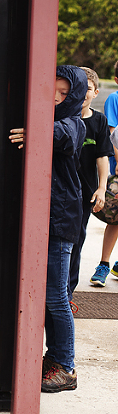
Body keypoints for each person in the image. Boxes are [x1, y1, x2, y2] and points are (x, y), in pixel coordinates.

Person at [9, 65, 87, 393]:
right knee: (46, 298)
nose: (55, 98)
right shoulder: (49, 122)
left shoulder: (75, 125)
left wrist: (35, 131)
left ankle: (66, 366)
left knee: (57, 298)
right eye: (50, 91)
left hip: (61, 222)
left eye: (63, 94)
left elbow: (63, 135)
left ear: (76, 98)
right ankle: (53, 359)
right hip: (48, 220)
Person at [69, 67, 111, 299]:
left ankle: (68, 293)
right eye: (80, 87)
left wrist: (102, 188)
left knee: (77, 242)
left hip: (85, 194)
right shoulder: (63, 117)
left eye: (88, 89)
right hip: (60, 191)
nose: (83, 93)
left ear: (95, 93)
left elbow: (101, 157)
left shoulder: (99, 121)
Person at [90, 60, 118, 286]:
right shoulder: (114, 99)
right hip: (117, 169)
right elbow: (112, 135)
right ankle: (104, 264)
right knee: (114, 218)